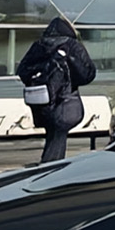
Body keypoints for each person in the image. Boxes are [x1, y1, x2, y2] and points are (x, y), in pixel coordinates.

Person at [18, 16, 97, 164]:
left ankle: (49, 165)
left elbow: (22, 71)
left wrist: (39, 79)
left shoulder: (39, 45)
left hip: (41, 101)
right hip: (66, 100)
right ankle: (49, 167)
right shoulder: (72, 45)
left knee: (54, 134)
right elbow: (88, 75)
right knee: (58, 133)